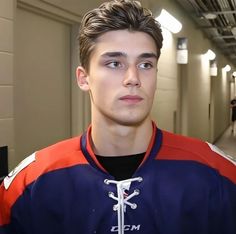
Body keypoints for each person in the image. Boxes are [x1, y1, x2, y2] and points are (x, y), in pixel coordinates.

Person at [0, 0, 236, 233]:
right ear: (84, 78)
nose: (133, 78)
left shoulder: (217, 174)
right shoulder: (31, 184)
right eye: (114, 63)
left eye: (145, 64)